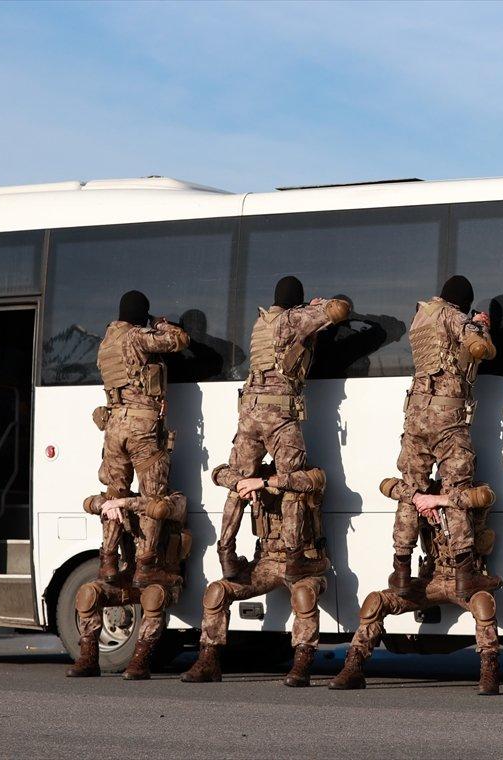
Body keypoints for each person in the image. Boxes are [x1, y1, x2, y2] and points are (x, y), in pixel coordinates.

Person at [214, 276, 349, 583]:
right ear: (296, 301)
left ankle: (226, 554)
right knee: (292, 483)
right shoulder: (293, 318)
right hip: (279, 414)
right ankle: (294, 557)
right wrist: (319, 308)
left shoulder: (261, 323)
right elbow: (340, 309)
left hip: (249, 412)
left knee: (238, 483)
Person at [330, 476, 501, 695]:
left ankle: (490, 671)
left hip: (465, 580)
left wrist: (439, 500)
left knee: (483, 604)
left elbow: (486, 496)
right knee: (376, 602)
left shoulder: (471, 490)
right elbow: (386, 485)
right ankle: (353, 667)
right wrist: (419, 498)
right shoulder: (424, 492)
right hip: (431, 579)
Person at [389, 275, 500, 599]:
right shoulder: (454, 315)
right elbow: (481, 350)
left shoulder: (420, 316)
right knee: (456, 489)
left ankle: (400, 570)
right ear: (462, 301)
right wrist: (479, 326)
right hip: (446, 418)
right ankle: (465, 572)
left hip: (415, 416)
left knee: (410, 490)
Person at [181, 462, 330, 688]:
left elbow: (314, 481)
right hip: (266, 562)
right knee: (217, 591)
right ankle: (208, 660)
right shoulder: (256, 473)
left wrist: (262, 484)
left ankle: (302, 663)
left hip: (305, 562)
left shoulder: (310, 473)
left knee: (303, 595)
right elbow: (218, 473)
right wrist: (242, 484)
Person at [93, 290, 189, 587]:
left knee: (114, 496)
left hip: (113, 426)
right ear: (141, 315)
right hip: (141, 426)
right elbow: (180, 341)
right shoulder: (136, 337)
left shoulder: (106, 343)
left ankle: (108, 560)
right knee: (152, 498)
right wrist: (161, 325)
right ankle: (146, 564)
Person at [66, 491, 192, 680]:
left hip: (163, 580)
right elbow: (88, 502)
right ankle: (88, 658)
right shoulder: (124, 502)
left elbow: (158, 508)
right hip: (130, 579)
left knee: (152, 598)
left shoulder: (176, 499)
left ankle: (140, 661)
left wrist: (122, 503)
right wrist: (107, 505)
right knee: (88, 594)